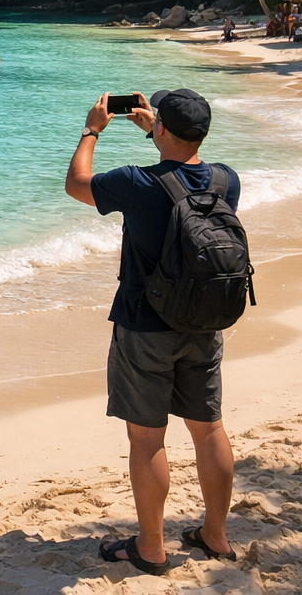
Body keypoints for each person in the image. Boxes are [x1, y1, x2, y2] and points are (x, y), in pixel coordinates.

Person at [64, 89, 240, 574]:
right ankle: (216, 536)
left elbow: (76, 183)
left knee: (147, 440)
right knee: (208, 431)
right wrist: (157, 134)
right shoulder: (227, 181)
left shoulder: (135, 183)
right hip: (205, 322)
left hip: (146, 325)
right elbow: (184, 175)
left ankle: (151, 548)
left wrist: (92, 129)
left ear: (163, 128)